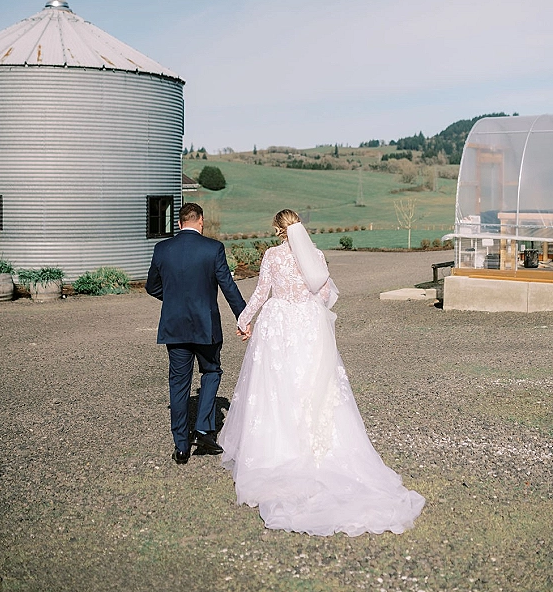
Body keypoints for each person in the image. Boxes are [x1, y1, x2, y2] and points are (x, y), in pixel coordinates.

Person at [219, 209, 425, 536]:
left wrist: (244, 319)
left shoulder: (272, 255)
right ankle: (318, 449)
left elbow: (261, 292)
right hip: (308, 328)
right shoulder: (315, 255)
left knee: (279, 390)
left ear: (277, 229)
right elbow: (326, 295)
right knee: (313, 387)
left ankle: (280, 449)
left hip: (279, 326)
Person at [146, 202, 246, 464]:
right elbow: (228, 287)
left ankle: (181, 447)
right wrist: (243, 317)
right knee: (211, 371)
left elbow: (151, 286)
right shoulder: (213, 249)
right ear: (201, 221)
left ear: (179, 223)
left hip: (174, 326)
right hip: (206, 326)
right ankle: (202, 428)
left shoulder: (162, 249)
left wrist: (172, 301)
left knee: (178, 384)